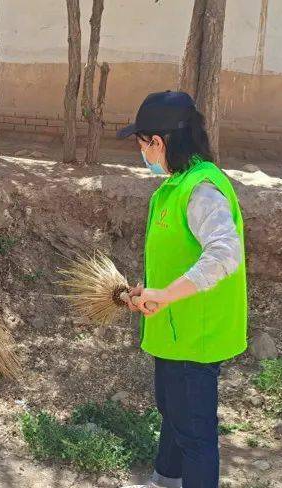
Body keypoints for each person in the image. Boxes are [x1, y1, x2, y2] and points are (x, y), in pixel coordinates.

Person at [118, 91, 247, 488]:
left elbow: (226, 254)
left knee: (195, 433)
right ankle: (165, 480)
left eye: (141, 143)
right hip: (175, 331)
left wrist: (166, 295)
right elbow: (179, 256)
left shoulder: (202, 189)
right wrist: (148, 292)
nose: (141, 153)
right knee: (174, 414)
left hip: (196, 336)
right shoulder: (175, 187)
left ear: (157, 142)